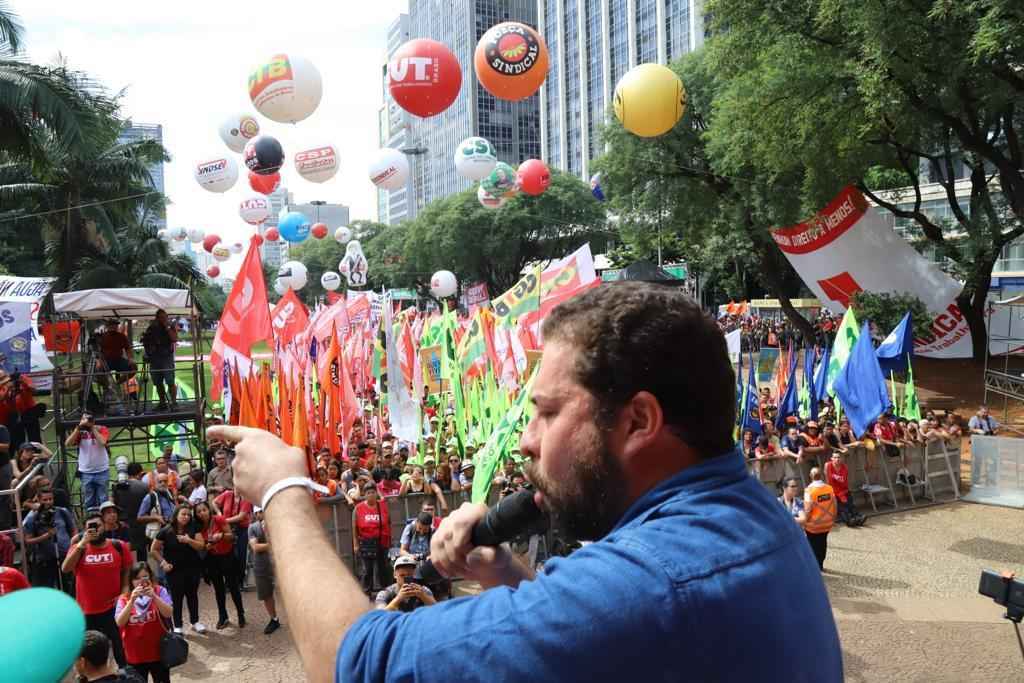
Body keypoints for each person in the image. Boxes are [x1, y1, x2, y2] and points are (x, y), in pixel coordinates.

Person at [207, 282, 841, 682]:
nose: (527, 439)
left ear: (640, 420)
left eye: (547, 412)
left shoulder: (649, 582)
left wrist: (281, 494)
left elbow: (355, 663)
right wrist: (508, 578)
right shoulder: (751, 517)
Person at [63, 507, 132, 671]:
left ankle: (125, 675)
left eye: (98, 525)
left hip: (113, 609)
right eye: (90, 527)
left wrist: (124, 593)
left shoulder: (119, 546)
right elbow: (66, 568)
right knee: (87, 652)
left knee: (120, 646)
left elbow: (127, 573)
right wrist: (81, 543)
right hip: (86, 611)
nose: (95, 529)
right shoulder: (79, 547)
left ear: (105, 527)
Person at [149, 504, 207, 634]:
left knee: (192, 595)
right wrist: (163, 563)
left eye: (188, 514)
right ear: (176, 515)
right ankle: (178, 624)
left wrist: (189, 541)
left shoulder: (193, 528)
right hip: (174, 570)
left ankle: (195, 621)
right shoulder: (166, 530)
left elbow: (201, 546)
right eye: (183, 514)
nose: (186, 517)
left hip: (192, 568)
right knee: (176, 597)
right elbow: (153, 550)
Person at [115, 562, 173, 683]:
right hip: (135, 655)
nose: (141, 581)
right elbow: (120, 622)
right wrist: (131, 601)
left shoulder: (160, 591)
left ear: (151, 577)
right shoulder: (124, 598)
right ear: (131, 581)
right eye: (137, 578)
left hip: (159, 653)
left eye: (145, 576)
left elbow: (168, 613)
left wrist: (154, 597)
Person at [194, 499, 245, 629]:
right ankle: (223, 616)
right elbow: (200, 546)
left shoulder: (219, 519)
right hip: (212, 559)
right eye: (198, 511)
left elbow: (232, 537)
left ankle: (240, 613)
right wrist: (207, 546)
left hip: (227, 557)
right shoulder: (198, 526)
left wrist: (221, 536)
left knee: (233, 587)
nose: (202, 513)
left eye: (204, 510)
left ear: (209, 510)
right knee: (218, 589)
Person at [22, 487, 76, 590]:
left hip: (65, 555)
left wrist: (73, 547)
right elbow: (28, 540)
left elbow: (73, 530)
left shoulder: (62, 512)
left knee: (68, 587)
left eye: (50, 499)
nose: (48, 502)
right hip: (45, 559)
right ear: (39, 499)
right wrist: (46, 536)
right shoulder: (32, 517)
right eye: (45, 500)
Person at [352, 483, 391, 597]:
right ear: (364, 495)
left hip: (382, 541)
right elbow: (354, 527)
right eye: (368, 493)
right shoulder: (358, 508)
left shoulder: (382, 505)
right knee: (367, 570)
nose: (371, 495)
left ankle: (385, 592)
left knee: (382, 568)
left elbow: (388, 522)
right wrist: (355, 544)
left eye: (373, 492)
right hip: (366, 542)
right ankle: (366, 593)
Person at [66, 413, 110, 510]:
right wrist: (78, 429)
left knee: (103, 499)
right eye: (83, 419)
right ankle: (90, 520)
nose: (86, 421)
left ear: (93, 421)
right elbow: (68, 443)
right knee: (89, 500)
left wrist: (92, 428)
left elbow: (103, 442)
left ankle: (103, 520)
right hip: (86, 472)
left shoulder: (102, 429)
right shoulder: (79, 431)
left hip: (102, 470)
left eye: (88, 419)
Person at [248, 506, 282, 634]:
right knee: (266, 594)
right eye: (258, 512)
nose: (260, 514)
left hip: (281, 564)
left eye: (262, 511)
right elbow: (255, 547)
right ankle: (274, 619)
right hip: (262, 565)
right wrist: (276, 544)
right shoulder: (252, 527)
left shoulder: (278, 524)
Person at [213, 486, 253, 589]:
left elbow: (241, 516)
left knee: (240, 555)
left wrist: (223, 520)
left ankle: (240, 580)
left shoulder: (246, 498)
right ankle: (229, 581)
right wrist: (219, 513)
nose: (237, 488)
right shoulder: (227, 494)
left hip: (241, 529)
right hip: (227, 528)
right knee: (228, 553)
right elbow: (214, 503)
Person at [140, 309, 178, 411]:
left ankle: (174, 403)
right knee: (157, 382)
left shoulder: (170, 326)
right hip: (154, 358)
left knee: (170, 381)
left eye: (165, 317)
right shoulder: (152, 328)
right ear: (156, 318)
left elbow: (174, 339)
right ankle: (162, 403)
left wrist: (167, 327)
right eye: (161, 317)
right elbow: (145, 341)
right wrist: (147, 353)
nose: (163, 319)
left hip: (166, 358)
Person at [113, 463, 151, 561]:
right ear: (139, 473)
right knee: (142, 551)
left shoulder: (117, 486)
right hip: (141, 523)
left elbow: (115, 503)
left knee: (122, 550)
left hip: (123, 523)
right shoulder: (145, 487)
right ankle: (143, 571)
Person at [803, 467, 837, 571]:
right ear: (821, 476)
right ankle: (821, 564)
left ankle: (814, 566)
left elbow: (808, 510)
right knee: (823, 543)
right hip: (827, 523)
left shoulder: (809, 491)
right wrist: (833, 518)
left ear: (810, 476)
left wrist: (805, 521)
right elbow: (835, 504)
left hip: (813, 525)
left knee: (812, 545)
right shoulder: (829, 488)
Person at [825, 451, 865, 527]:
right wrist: (836, 477)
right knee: (842, 507)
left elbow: (843, 481)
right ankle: (849, 520)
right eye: (835, 457)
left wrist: (836, 478)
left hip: (844, 490)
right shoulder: (828, 465)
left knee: (851, 504)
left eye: (838, 457)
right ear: (832, 458)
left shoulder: (844, 467)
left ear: (841, 458)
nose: (837, 459)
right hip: (833, 491)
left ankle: (858, 517)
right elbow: (829, 478)